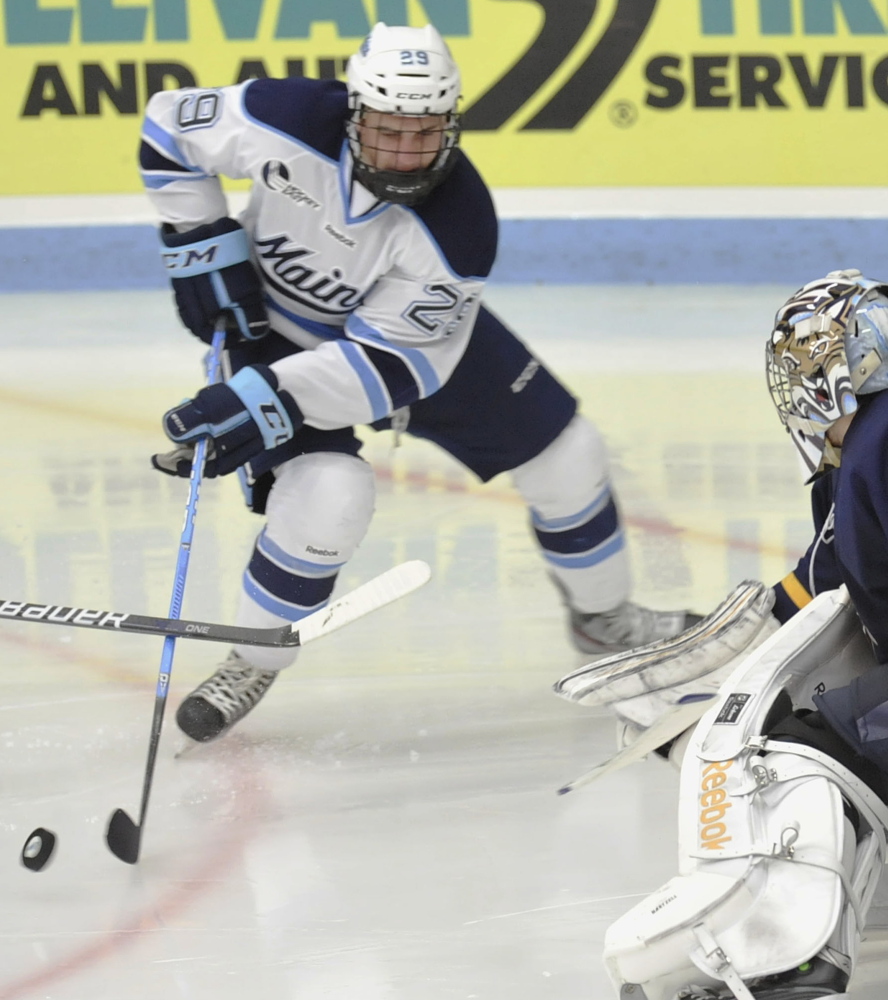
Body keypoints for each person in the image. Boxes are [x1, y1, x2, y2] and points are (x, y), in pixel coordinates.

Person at [139, 22, 699, 744]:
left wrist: (271, 399)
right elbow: (166, 125)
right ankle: (252, 656)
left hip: (401, 347)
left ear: (452, 124)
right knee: (331, 496)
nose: (404, 155)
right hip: (267, 331)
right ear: (353, 114)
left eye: (424, 134)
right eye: (386, 132)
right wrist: (198, 241)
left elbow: (400, 368)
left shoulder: (462, 220)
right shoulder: (285, 119)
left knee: (570, 455)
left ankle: (604, 620)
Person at [556, 269, 888, 999]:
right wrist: (722, 658)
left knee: (805, 756)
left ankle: (789, 961)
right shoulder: (867, 448)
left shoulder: (873, 446)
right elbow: (823, 584)